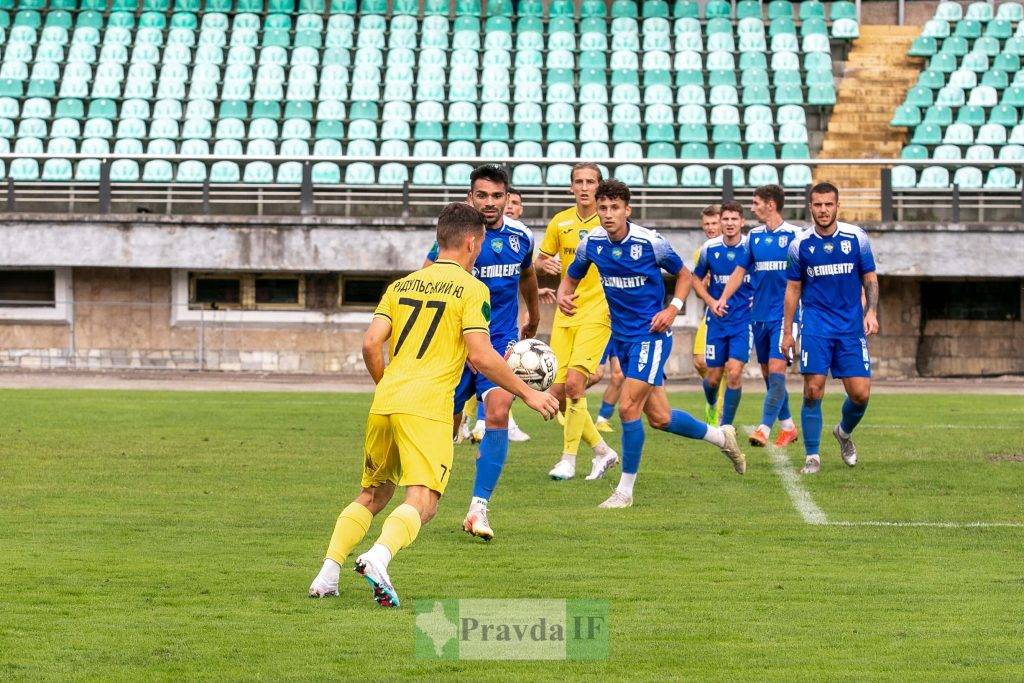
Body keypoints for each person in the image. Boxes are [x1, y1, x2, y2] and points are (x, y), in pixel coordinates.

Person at [308, 202, 558, 606]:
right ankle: (378, 556)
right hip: (427, 407)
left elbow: (371, 343)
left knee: (373, 493)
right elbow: (480, 355)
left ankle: (327, 573)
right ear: (473, 243)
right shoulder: (472, 288)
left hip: (386, 401)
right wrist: (529, 392)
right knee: (423, 500)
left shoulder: (401, 285)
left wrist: (388, 385)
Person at [557, 180, 746, 509]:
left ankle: (624, 492)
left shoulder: (650, 242)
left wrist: (672, 308)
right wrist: (563, 292)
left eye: (615, 208)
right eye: (603, 208)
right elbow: (572, 275)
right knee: (659, 417)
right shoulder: (592, 244)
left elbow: (685, 275)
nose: (608, 214)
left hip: (651, 335)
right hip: (623, 336)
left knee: (628, 408)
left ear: (627, 210)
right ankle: (721, 437)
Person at [423, 166, 541, 540]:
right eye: (482, 196)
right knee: (448, 426)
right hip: (455, 347)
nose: (489, 203)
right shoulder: (457, 237)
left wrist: (534, 316)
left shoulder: (521, 236)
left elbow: (527, 276)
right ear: (470, 197)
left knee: (499, 411)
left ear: (508, 198)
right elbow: (425, 279)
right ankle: (428, 494)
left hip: (499, 342)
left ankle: (478, 508)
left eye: (497, 196)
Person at [781, 182, 878, 475]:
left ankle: (843, 433)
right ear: (810, 207)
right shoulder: (800, 244)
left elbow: (870, 277)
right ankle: (812, 456)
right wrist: (788, 332)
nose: (823, 210)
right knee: (813, 390)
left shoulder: (856, 237)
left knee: (860, 394)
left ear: (837, 206)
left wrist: (871, 311)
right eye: (817, 205)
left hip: (850, 327)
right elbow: (792, 290)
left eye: (828, 204)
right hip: (815, 327)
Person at [537, 162, 619, 481]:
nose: (584, 187)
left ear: (599, 186)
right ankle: (602, 450)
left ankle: (568, 460)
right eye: (579, 182)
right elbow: (541, 259)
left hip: (598, 313)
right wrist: (548, 265)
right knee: (555, 393)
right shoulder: (560, 222)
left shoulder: (610, 222)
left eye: (590, 182)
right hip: (565, 310)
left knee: (574, 384)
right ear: (571, 187)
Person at [712, 185, 800, 447]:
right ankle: (788, 427)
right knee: (766, 373)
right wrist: (724, 297)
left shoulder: (796, 236)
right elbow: (740, 271)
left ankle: (763, 428)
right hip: (758, 316)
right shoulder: (754, 237)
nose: (752, 208)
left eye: (755, 202)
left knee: (776, 370)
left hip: (785, 318)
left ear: (770, 204)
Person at [690, 202, 753, 428]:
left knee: (734, 371)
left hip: (743, 319)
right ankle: (711, 405)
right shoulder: (710, 249)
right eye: (725, 219)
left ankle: (726, 426)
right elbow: (694, 278)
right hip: (716, 320)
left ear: (742, 222)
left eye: (734, 219)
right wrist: (711, 301)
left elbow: (767, 276)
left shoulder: (751, 247)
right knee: (713, 375)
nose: (729, 224)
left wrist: (759, 296)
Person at [692, 205, 725, 424]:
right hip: (712, 313)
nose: (711, 228)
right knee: (700, 362)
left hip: (737, 313)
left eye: (714, 223)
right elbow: (698, 289)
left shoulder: (740, 248)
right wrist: (703, 284)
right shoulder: (701, 253)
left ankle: (719, 410)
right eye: (707, 224)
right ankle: (714, 399)